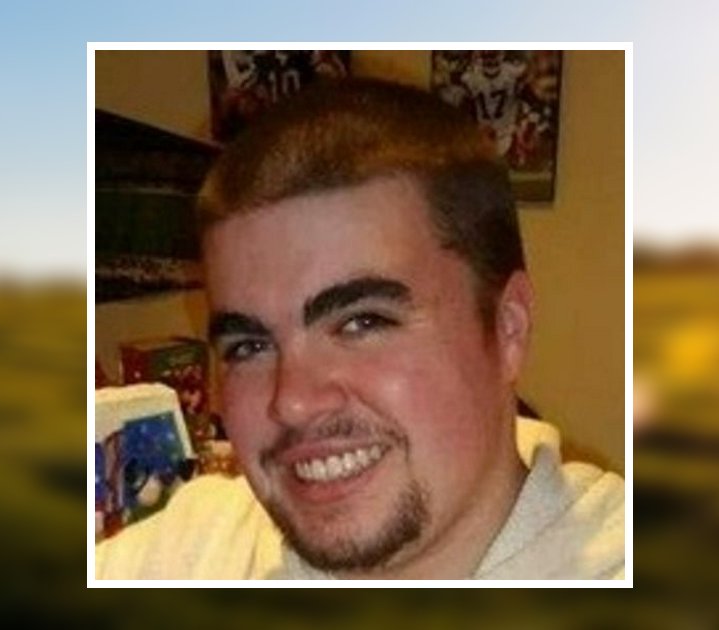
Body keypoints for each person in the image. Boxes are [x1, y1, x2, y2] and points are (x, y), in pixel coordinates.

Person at [95, 79, 624, 580]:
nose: (293, 402)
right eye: (249, 346)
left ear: (509, 329)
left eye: (361, 322)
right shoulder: (196, 548)